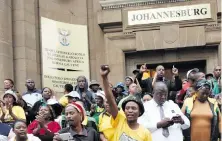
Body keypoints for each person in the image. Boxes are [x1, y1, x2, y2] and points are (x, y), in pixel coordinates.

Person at [100, 65, 152, 141]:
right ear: (124, 111)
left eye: (133, 108)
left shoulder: (145, 133)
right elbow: (110, 100)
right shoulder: (120, 120)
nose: (130, 110)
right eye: (127, 108)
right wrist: (104, 78)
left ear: (140, 111)